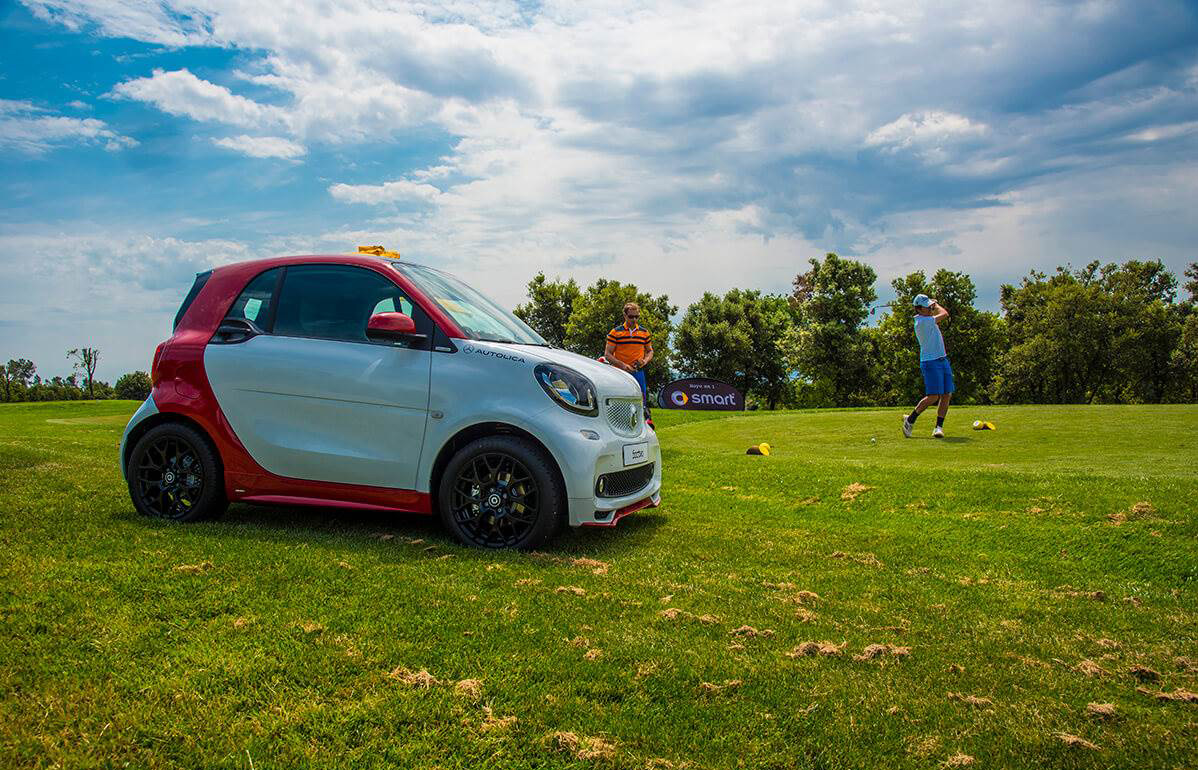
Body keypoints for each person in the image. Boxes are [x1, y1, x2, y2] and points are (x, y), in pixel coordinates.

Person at [903, 294, 953, 439]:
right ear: (919, 309)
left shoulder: (928, 318)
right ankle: (910, 420)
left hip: (942, 359)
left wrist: (932, 306)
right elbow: (945, 314)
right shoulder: (922, 322)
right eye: (927, 307)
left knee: (946, 394)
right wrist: (936, 305)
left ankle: (938, 427)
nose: (930, 309)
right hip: (930, 361)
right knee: (933, 396)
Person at [604, 302, 654, 420]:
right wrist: (623, 366)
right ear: (625, 316)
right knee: (618, 401)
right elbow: (607, 354)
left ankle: (643, 425)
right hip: (619, 373)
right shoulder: (615, 332)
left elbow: (650, 351)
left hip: (638, 372)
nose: (634, 319)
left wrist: (644, 361)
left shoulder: (644, 332)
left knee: (641, 402)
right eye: (631, 317)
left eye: (637, 317)